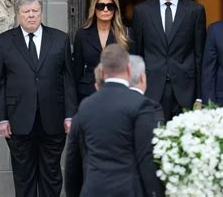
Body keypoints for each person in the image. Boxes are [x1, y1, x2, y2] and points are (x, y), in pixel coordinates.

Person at [0, 0, 77, 197]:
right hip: (18, 120)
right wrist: (2, 118)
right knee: (24, 177)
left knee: (52, 174)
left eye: (35, 11)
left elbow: (68, 79)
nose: (31, 15)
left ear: (41, 13)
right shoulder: (3, 42)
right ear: (18, 14)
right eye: (26, 11)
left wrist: (70, 115)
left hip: (53, 119)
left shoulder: (59, 39)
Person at [65, 44, 165, 197]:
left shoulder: (85, 106)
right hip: (127, 190)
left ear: (102, 71)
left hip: (93, 190)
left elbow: (73, 160)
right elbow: (146, 157)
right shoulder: (140, 104)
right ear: (129, 69)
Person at [129, 0, 206, 121]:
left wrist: (200, 96)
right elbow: (136, 54)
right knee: (153, 139)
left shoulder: (195, 11)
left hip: (186, 88)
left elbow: (200, 55)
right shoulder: (142, 12)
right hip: (151, 88)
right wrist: (135, 90)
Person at [73, 0, 129, 102]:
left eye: (110, 6)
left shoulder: (126, 33)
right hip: (88, 93)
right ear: (94, 8)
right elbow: (76, 71)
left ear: (115, 10)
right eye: (101, 6)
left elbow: (131, 67)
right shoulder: (82, 34)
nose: (106, 10)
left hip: (118, 93)